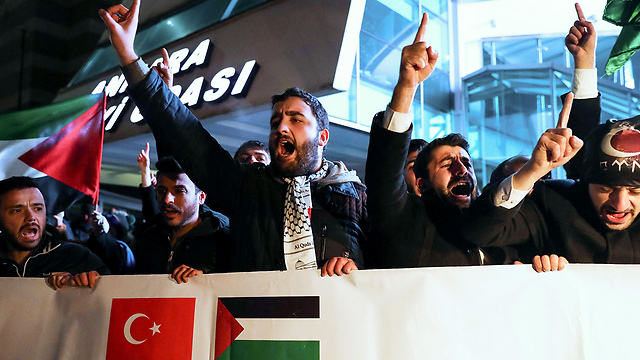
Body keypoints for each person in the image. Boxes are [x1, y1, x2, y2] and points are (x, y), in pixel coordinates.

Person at [99, 0, 368, 276]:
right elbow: (188, 139)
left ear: (322, 136)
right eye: (276, 122)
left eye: (296, 119)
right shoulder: (246, 188)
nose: (282, 128)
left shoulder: (352, 194)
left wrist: (351, 266)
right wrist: (129, 57)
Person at [366, 14, 510, 268]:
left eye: (466, 162)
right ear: (422, 184)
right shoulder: (406, 221)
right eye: (446, 164)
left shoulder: (501, 228)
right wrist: (407, 86)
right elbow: (384, 174)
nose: (461, 169)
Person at [0, 176, 109, 289]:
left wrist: (86, 285)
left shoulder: (77, 257)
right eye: (17, 210)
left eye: (37, 209)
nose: (31, 217)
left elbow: (111, 298)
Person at [134, 156, 231, 283]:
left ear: (201, 197)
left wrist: (206, 280)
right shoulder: (150, 238)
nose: (167, 199)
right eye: (162, 191)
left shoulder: (223, 242)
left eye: (179, 191)